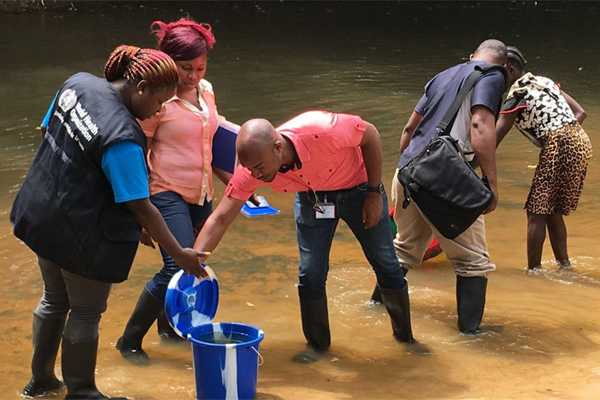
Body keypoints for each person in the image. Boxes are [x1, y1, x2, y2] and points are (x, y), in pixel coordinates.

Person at [11, 45, 205, 400]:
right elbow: (141, 205)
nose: (158, 110)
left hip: (42, 212)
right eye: (159, 102)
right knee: (85, 311)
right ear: (141, 87)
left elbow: (47, 132)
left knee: (54, 298)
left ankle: (40, 383)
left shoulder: (78, 85)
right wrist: (179, 254)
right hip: (79, 232)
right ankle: (82, 392)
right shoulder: (123, 136)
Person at [192, 111, 415, 363]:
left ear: (277, 147)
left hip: (359, 189)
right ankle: (318, 347)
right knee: (310, 273)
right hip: (314, 199)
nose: (255, 175)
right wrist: (195, 261)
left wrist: (374, 192)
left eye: (258, 168)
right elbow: (221, 217)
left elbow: (371, 134)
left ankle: (406, 341)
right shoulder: (252, 168)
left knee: (385, 262)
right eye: (249, 169)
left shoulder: (321, 130)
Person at [115, 18, 234, 364]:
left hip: (202, 193)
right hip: (165, 191)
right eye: (185, 68)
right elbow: (137, 150)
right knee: (176, 268)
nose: (193, 75)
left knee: (194, 265)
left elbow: (210, 139)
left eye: (200, 67)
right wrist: (137, 214)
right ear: (168, 62)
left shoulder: (207, 90)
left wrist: (233, 178)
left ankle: (168, 330)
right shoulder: (157, 101)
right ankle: (129, 341)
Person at [391, 40, 507, 334]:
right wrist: (491, 185)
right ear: (503, 66)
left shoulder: (443, 75)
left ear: (471, 56)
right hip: (442, 176)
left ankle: (378, 311)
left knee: (403, 250)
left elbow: (409, 129)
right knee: (473, 262)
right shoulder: (492, 76)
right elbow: (480, 125)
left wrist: (408, 171)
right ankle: (471, 336)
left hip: (407, 169)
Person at [496, 46, 593, 272]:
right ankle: (565, 266)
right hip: (580, 139)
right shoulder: (544, 81)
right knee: (551, 209)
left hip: (560, 142)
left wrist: (470, 163)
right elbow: (581, 113)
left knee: (536, 210)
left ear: (508, 69)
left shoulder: (517, 94)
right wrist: (558, 136)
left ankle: (534, 272)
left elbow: (494, 137)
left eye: (496, 72)